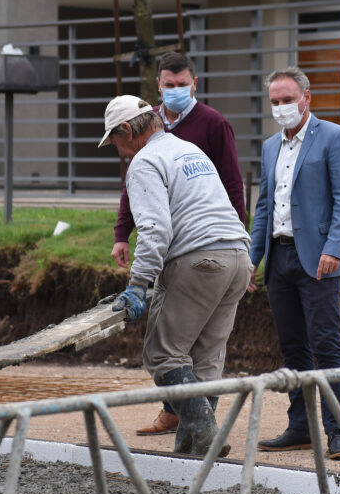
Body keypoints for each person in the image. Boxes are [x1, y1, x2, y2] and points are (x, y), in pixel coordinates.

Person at [101, 95, 251, 456]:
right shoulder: (190, 151)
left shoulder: (145, 162)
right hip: (238, 258)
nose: (120, 152)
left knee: (164, 353)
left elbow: (154, 229)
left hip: (198, 260)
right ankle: (190, 453)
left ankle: (206, 437)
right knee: (207, 357)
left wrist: (138, 284)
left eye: (116, 143)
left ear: (126, 130)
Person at [250, 67, 340, 461]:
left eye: (287, 99)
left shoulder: (334, 137)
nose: (281, 107)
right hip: (278, 257)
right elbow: (264, 206)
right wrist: (251, 260)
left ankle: (338, 432)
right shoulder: (268, 147)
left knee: (326, 345)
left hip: (319, 260)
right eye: (275, 102)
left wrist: (333, 248)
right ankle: (300, 427)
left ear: (306, 98)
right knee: (292, 347)